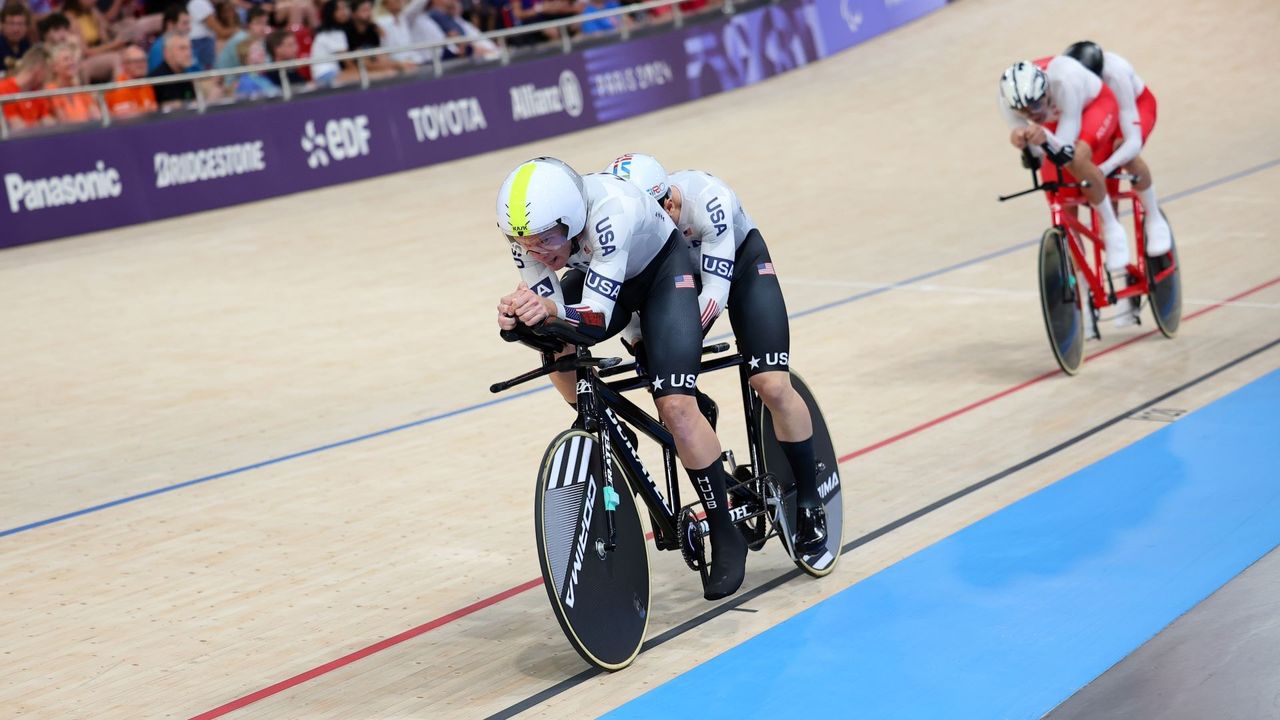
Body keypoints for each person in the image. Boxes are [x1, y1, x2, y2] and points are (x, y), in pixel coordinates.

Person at [495, 157, 748, 601]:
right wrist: (521, 322)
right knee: (553, 341)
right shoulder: (533, 240)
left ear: (572, 223)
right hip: (602, 278)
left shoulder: (611, 212)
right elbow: (556, 318)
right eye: (525, 245)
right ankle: (608, 435)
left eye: (548, 242)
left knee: (673, 404)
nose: (538, 254)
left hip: (660, 279)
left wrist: (551, 311)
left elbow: (596, 317)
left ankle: (726, 535)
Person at [606, 153, 827, 554]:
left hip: (739, 270)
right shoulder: (630, 227)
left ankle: (810, 499)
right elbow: (622, 292)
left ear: (669, 204)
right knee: (669, 387)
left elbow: (713, 295)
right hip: (674, 281)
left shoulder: (709, 200)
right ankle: (702, 413)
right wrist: (641, 342)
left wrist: (677, 347)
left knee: (771, 384)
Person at [999, 57, 1127, 272]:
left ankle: (1112, 226)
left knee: (1077, 158)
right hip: (1057, 119)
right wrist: (1022, 143)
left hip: (1094, 106)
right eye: (1025, 113)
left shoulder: (1064, 83)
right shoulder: (1006, 101)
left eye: (1036, 105)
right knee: (1056, 187)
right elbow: (1035, 154)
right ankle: (1083, 286)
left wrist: (1044, 138)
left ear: (1046, 91)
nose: (1033, 115)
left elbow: (1065, 148)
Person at [0, 44, 54, 130]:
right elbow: (17, 127)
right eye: (49, 71)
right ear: (39, 68)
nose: (50, 78)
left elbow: (50, 123)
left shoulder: (36, 92)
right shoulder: (3, 89)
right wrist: (40, 124)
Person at [45, 42, 100, 123]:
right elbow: (63, 122)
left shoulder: (81, 90)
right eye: (66, 59)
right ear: (54, 67)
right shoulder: (51, 89)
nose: (71, 63)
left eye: (72, 59)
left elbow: (97, 116)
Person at [104, 42, 158, 117]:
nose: (141, 65)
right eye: (136, 61)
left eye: (143, 60)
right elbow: (123, 119)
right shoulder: (118, 89)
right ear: (125, 65)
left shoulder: (147, 85)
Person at [1, 3, 34, 76]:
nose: (16, 29)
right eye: (11, 24)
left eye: (20, 24)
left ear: (26, 27)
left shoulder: (26, 45)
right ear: (2, 25)